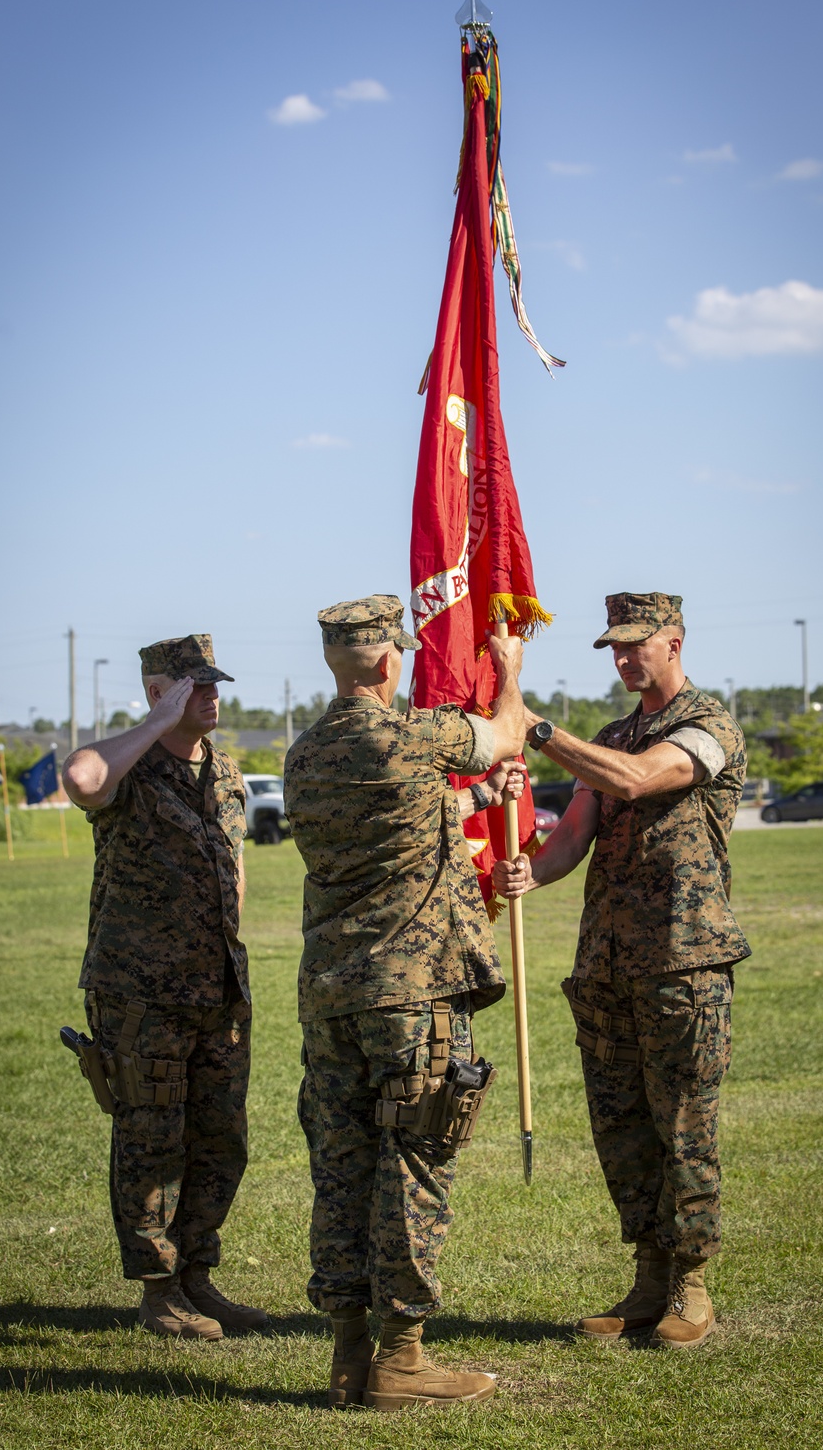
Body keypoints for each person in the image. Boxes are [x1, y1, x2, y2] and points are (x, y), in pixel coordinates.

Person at [283, 595, 526, 1410]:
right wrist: (511, 672)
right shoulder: (410, 735)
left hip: (332, 1000)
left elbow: (408, 820)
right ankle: (404, 1358)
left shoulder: (305, 755)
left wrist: (483, 802)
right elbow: (506, 732)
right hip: (411, 999)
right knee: (414, 1165)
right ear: (391, 662)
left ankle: (349, 1358)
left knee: (341, 1172)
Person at [493, 592, 750, 1349]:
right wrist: (528, 873)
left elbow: (636, 781)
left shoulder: (708, 727)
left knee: (682, 1128)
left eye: (637, 644)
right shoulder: (612, 732)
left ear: (674, 641)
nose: (623, 658)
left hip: (682, 963)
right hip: (605, 966)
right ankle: (647, 1278)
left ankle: (690, 1283)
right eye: (613, 647)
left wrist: (537, 729)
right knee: (623, 1130)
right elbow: (573, 838)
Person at [62, 634, 266, 1342]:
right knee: (152, 1142)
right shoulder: (131, 765)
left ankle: (197, 1277)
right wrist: (152, 725)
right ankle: (156, 1292)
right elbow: (82, 780)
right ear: (159, 691)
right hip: (141, 993)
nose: (211, 696)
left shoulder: (226, 769)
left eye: (214, 684)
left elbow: (233, 863)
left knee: (220, 1140)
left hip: (217, 990)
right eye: (195, 685)